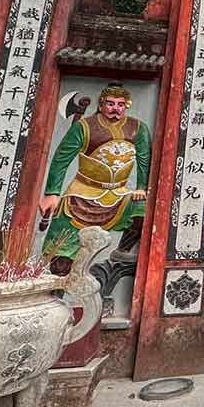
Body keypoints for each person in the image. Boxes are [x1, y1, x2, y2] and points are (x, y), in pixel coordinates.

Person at [38, 82, 151, 275]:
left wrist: (141, 186)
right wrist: (52, 193)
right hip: (82, 194)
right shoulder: (84, 127)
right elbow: (61, 159)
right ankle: (58, 278)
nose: (115, 109)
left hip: (119, 193)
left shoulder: (138, 128)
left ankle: (123, 253)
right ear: (101, 104)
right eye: (110, 103)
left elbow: (144, 158)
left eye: (120, 104)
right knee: (61, 250)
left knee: (144, 209)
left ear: (126, 106)